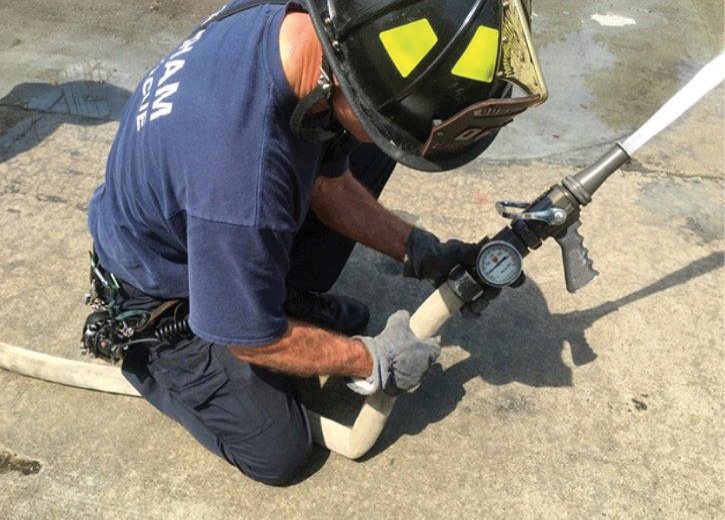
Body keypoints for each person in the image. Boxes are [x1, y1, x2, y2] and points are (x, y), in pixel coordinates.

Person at [85, 0, 547, 485]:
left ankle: (276, 295)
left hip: (211, 208)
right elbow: (245, 335)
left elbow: (328, 183)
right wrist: (369, 361)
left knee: (374, 147)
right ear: (338, 81)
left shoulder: (312, 26)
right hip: (159, 291)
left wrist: (419, 249)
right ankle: (152, 360)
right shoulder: (241, 173)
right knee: (279, 449)